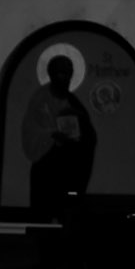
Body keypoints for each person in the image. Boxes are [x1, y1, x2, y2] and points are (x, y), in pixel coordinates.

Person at [21, 53, 97, 220]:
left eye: (67, 74)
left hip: (69, 172)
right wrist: (52, 135)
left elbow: (90, 137)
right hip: (46, 169)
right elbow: (30, 132)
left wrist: (79, 131)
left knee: (67, 217)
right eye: (60, 73)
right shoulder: (40, 98)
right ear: (51, 74)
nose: (64, 78)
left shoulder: (74, 102)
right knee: (43, 218)